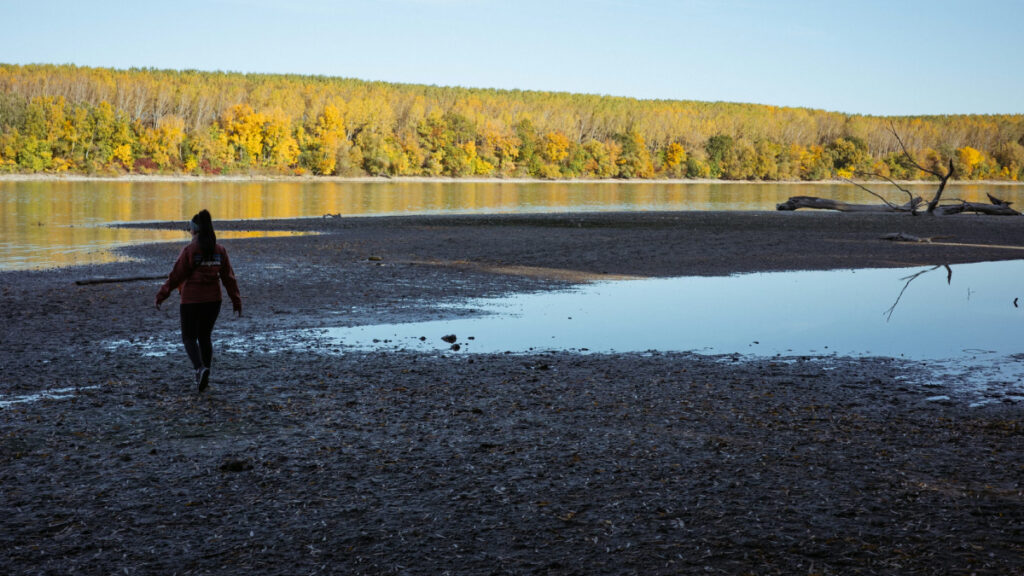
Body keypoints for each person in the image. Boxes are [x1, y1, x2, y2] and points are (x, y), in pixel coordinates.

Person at [155, 209, 242, 392]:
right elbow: (228, 278)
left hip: (191, 300)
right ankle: (206, 375)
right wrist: (236, 300)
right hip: (213, 301)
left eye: (190, 229)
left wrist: (162, 294)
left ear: (195, 230)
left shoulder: (189, 250)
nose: (190, 232)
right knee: (205, 337)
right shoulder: (220, 250)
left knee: (188, 337)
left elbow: (176, 276)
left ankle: (199, 368)